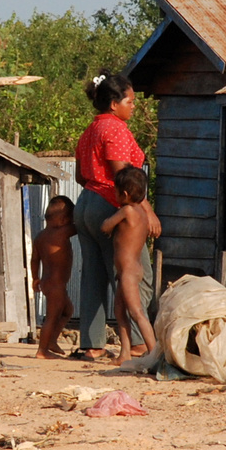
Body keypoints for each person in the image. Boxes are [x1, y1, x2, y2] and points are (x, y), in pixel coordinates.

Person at [74, 69, 161, 361]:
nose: (134, 106)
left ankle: (92, 344)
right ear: (114, 104)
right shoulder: (115, 129)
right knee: (137, 273)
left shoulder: (90, 130)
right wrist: (146, 211)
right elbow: (122, 174)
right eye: (130, 101)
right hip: (111, 203)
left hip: (85, 202)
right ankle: (139, 342)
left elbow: (78, 175)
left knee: (93, 276)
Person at [101, 166, 156, 365]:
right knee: (119, 311)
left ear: (124, 194)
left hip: (128, 273)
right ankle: (124, 353)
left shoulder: (126, 211)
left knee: (136, 312)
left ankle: (154, 354)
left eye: (115, 191)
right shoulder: (142, 211)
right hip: (130, 270)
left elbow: (105, 226)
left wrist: (109, 223)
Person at [31, 195, 76, 359]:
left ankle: (51, 342)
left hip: (48, 282)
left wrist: (35, 278)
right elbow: (80, 226)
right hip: (57, 285)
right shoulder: (63, 232)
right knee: (51, 317)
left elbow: (34, 260)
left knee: (67, 310)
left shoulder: (40, 237)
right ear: (64, 220)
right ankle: (42, 350)